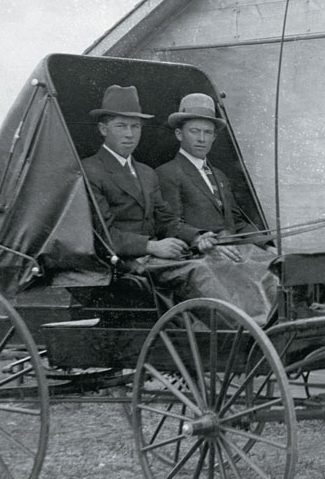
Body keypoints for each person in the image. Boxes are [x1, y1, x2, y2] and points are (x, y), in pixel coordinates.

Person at [80, 84, 215, 303]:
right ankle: (230, 332)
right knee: (199, 271)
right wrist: (152, 246)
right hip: (120, 262)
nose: (129, 134)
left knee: (214, 262)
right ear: (103, 129)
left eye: (135, 127)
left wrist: (197, 236)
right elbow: (103, 235)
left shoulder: (146, 173)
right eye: (121, 126)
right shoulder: (90, 171)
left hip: (150, 257)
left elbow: (164, 219)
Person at [155, 92, 280, 318]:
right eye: (195, 132)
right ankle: (253, 332)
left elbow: (237, 222)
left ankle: (278, 325)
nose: (201, 138)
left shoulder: (220, 176)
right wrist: (203, 239)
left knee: (277, 267)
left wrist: (267, 245)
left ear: (214, 138)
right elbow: (170, 224)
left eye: (208, 133)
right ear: (179, 134)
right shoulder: (168, 174)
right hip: (202, 256)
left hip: (234, 253)